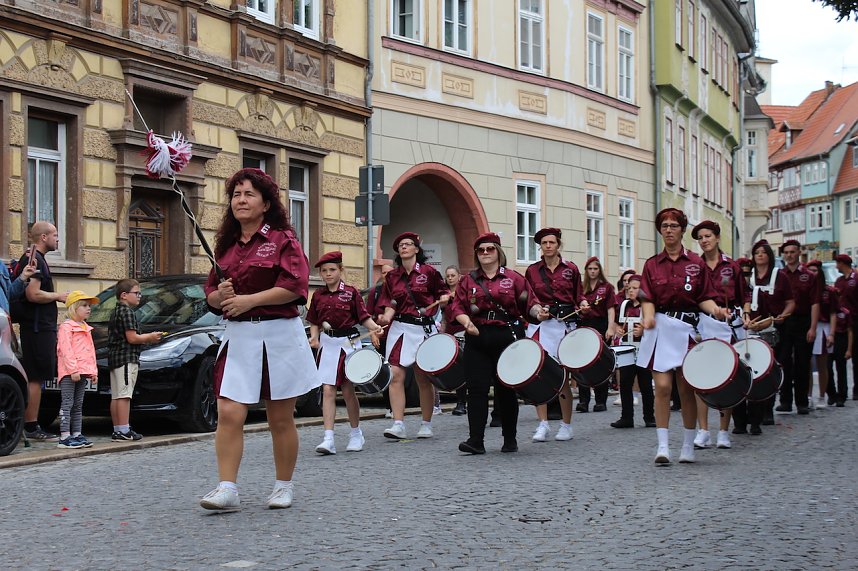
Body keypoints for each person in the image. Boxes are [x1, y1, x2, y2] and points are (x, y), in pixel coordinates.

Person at [200, 168, 319, 511]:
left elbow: (296, 287)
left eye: (249, 194)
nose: (241, 200)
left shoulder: (283, 240)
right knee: (229, 412)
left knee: (279, 417)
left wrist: (249, 300)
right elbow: (209, 294)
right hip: (239, 337)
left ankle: (283, 485)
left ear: (266, 203)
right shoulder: (225, 246)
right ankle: (227, 487)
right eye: (236, 194)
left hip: (278, 335)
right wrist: (219, 297)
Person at [636, 208, 729, 465]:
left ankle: (688, 445)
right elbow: (646, 298)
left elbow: (704, 298)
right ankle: (663, 446)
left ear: (682, 230)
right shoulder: (652, 264)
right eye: (664, 225)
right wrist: (648, 316)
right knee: (663, 388)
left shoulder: (696, 264)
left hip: (687, 329)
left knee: (687, 389)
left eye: (673, 225)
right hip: (660, 329)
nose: (668, 230)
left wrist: (718, 311)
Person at [450, 232, 547, 454]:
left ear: (498, 252)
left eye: (489, 249)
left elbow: (529, 304)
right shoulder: (469, 280)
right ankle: (476, 440)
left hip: (507, 336)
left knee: (506, 389)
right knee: (476, 389)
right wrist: (467, 323)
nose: (485, 253)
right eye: (480, 250)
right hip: (477, 336)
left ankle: (509, 439)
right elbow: (457, 307)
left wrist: (538, 312)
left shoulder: (513, 278)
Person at [307, 251, 383, 455]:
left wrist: (375, 327)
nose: (328, 274)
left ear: (340, 270)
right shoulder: (318, 295)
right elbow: (313, 320)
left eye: (332, 270)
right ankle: (328, 438)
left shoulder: (351, 292)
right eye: (324, 271)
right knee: (328, 390)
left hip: (348, 344)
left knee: (348, 390)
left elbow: (363, 317)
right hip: (327, 344)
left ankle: (356, 433)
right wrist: (314, 337)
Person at [375, 232, 448, 440]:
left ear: (417, 249)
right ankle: (398, 424)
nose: (404, 247)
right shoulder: (392, 277)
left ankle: (426, 424)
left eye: (408, 244)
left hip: (423, 328)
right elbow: (390, 304)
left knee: (423, 378)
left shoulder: (430, 272)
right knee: (395, 375)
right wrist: (384, 318)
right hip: (400, 328)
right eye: (400, 245)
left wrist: (443, 299)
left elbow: (443, 294)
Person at [690, 221, 750, 450]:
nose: (704, 240)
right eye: (700, 237)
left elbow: (744, 294)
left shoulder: (731, 266)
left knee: (727, 377)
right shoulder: (695, 266)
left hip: (728, 324)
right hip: (704, 323)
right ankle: (703, 430)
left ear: (717, 237)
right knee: (701, 378)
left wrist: (745, 314)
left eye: (708, 236)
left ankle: (723, 431)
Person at [524, 227, 585, 442]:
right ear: (540, 247)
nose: (548, 246)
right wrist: (537, 311)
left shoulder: (571, 268)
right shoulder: (532, 271)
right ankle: (543, 424)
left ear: (559, 245)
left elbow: (579, 296)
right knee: (537, 375)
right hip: (542, 326)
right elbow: (529, 300)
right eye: (544, 243)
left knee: (563, 377)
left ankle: (566, 425)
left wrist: (584, 304)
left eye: (552, 242)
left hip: (565, 325)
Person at [17, 222, 68, 441]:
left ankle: (31, 424)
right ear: (44, 237)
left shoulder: (37, 258)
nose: (58, 239)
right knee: (35, 378)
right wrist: (58, 296)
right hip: (37, 327)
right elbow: (33, 294)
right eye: (55, 235)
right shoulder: (34, 259)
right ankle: (30, 427)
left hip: (39, 326)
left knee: (37, 376)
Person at [738, 240, 795, 433]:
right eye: (757, 252)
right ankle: (748, 414)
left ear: (769, 255)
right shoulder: (747, 277)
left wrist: (782, 316)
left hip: (775, 329)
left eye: (764, 252)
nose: (760, 255)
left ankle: (768, 409)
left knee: (770, 369)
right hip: (749, 331)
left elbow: (790, 302)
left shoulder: (780, 276)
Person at [107, 279, 164, 441]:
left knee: (117, 395)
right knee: (125, 395)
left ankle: (118, 429)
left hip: (116, 358)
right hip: (126, 357)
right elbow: (132, 338)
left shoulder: (116, 311)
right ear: (124, 295)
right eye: (136, 293)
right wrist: (150, 337)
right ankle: (124, 429)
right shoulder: (127, 312)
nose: (140, 296)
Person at [776, 240, 821, 415]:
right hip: (786, 322)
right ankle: (785, 401)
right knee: (784, 361)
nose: (789, 255)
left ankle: (802, 401)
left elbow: (815, 303)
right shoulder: (780, 275)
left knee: (803, 363)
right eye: (786, 252)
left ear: (799, 253)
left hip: (803, 322)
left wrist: (813, 327)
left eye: (792, 252)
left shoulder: (809, 276)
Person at [55, 291, 100, 449]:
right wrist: (73, 370)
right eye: (85, 306)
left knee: (78, 403)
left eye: (89, 306)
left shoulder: (86, 328)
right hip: (70, 372)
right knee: (68, 402)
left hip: (82, 371)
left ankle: (77, 433)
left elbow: (90, 352)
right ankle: (65, 435)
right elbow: (66, 350)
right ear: (74, 308)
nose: (89, 309)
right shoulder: (67, 328)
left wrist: (93, 371)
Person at [610, 275, 655, 428]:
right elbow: (617, 324)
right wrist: (618, 330)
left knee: (646, 384)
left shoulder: (647, 306)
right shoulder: (624, 305)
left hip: (643, 349)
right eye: (629, 288)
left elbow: (655, 325)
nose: (631, 291)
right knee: (625, 383)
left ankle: (649, 417)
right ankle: (626, 417)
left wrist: (644, 331)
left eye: (635, 288)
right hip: (627, 349)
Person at [577, 256, 617, 412]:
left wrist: (610, 327)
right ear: (586, 271)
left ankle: (601, 400)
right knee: (581, 364)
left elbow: (610, 308)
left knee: (601, 364)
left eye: (595, 269)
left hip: (600, 325)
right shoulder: (581, 288)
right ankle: (583, 400)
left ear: (599, 270)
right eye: (590, 269)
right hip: (584, 326)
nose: (593, 272)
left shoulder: (606, 287)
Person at [805, 259, 837, 410]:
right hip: (806, 327)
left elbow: (833, 314)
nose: (812, 273)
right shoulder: (804, 289)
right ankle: (808, 396)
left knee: (822, 364)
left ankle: (822, 395)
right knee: (806, 364)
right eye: (810, 270)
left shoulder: (828, 291)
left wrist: (831, 333)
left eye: (815, 270)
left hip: (823, 328)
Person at [440, 265, 468, 416]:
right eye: (448, 276)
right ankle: (461, 402)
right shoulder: (444, 295)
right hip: (451, 333)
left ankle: (466, 402)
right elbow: (444, 317)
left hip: (464, 331)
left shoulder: (464, 291)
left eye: (452, 275)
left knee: (467, 366)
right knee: (456, 368)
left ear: (459, 276)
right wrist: (442, 334)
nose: (450, 278)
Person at [833, 253, 858, 400]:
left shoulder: (855, 279)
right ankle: (842, 391)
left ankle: (857, 389)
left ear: (843, 263)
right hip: (842, 322)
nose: (836, 266)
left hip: (855, 319)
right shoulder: (839, 281)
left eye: (837, 263)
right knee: (841, 357)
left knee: (856, 357)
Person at [829, 301, 853, 406]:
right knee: (827, 368)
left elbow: (849, 331)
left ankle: (842, 396)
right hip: (829, 339)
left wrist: (849, 349)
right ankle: (831, 393)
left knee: (841, 369)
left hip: (841, 339)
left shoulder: (845, 312)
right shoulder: (826, 311)